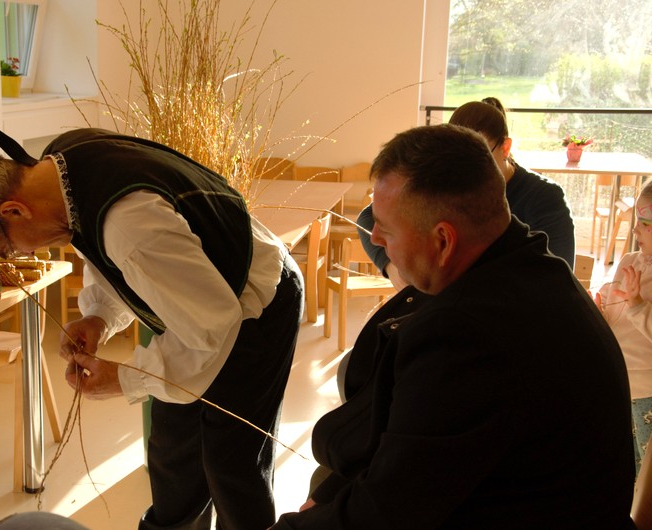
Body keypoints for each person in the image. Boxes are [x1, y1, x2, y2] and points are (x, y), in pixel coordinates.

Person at [0, 121, 303, 530]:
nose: (22, 255)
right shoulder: (61, 170)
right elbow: (111, 258)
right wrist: (100, 316)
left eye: (7, 249)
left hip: (258, 300)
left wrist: (124, 378)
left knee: (231, 462)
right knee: (173, 455)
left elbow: (211, 328)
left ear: (14, 211)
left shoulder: (130, 223)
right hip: (199, 304)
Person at [272, 124, 636, 528]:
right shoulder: (529, 266)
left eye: (386, 229)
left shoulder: (470, 337)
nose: (375, 237)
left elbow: (385, 515)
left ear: (443, 241)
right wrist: (328, 496)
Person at [357, 97, 576, 286]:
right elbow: (368, 216)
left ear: (505, 148)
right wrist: (392, 269)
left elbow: (556, 274)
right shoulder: (451, 184)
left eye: (482, 154)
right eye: (454, 158)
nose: (464, 168)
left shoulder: (545, 197)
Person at [596, 178, 652, 475]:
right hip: (619, 382)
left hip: (648, 392)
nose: (635, 230)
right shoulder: (630, 259)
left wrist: (638, 305)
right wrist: (598, 309)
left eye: (645, 224)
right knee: (623, 466)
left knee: (646, 475)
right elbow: (612, 301)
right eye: (636, 222)